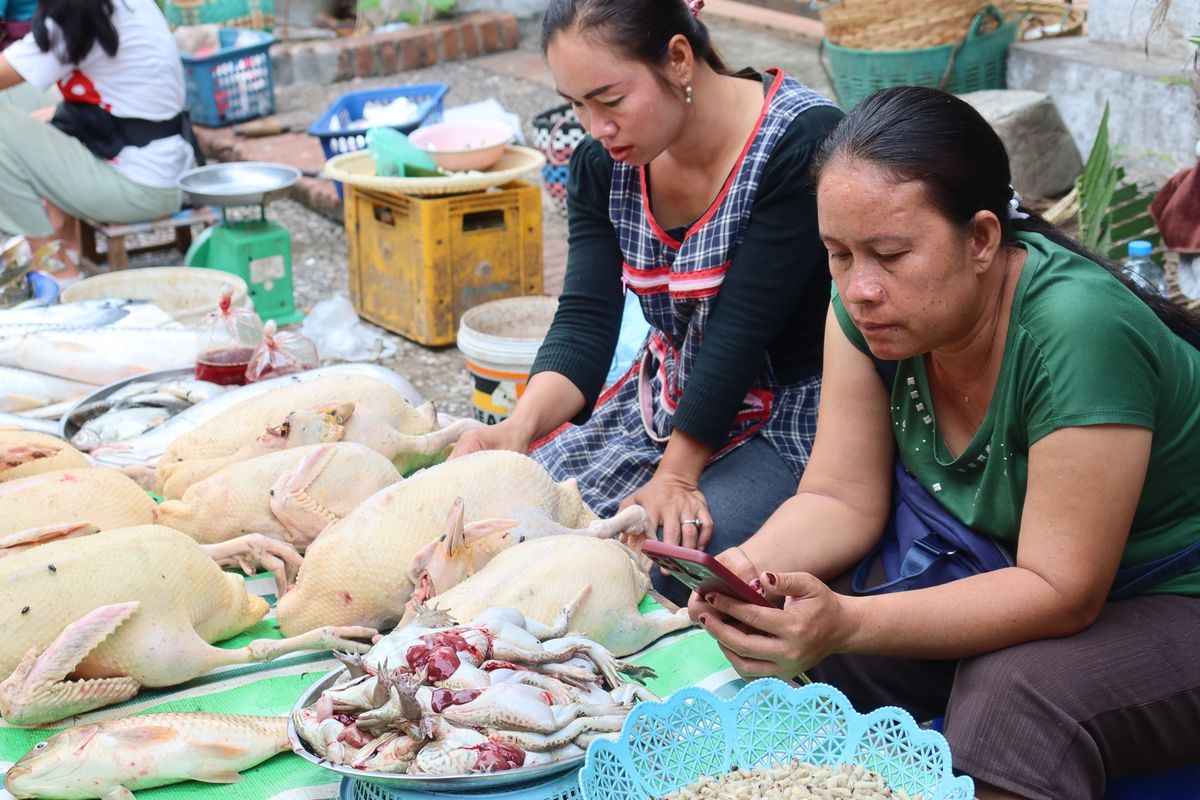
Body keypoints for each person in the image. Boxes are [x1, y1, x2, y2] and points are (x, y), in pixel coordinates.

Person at [688, 86, 1200, 800]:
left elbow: (1063, 591)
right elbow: (840, 496)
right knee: (801, 652)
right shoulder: (868, 311)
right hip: (1024, 569)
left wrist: (850, 620)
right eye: (838, 253)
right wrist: (741, 574)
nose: (861, 287)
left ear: (983, 239)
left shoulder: (1078, 331)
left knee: (1014, 696)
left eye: (891, 254)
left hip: (1168, 593)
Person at [451, 0, 842, 604]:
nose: (594, 126)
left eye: (609, 100)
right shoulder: (603, 167)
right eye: (577, 104)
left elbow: (739, 330)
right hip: (670, 399)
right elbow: (585, 319)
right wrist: (517, 428)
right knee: (510, 523)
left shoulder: (798, 145)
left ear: (679, 60)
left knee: (653, 568)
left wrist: (678, 476)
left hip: (793, 413)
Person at [0, 0, 195, 280]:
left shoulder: (76, 16)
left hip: (140, 188)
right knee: (14, 96)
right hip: (160, 159)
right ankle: (64, 235)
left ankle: (56, 270)